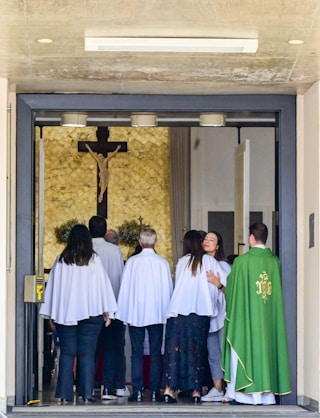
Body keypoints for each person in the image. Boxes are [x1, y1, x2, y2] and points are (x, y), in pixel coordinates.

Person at [39, 224, 117, 404]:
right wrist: (108, 312)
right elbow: (103, 286)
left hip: (66, 314)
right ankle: (87, 393)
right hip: (91, 314)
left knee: (67, 354)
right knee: (87, 354)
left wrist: (52, 314)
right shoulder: (94, 260)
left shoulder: (61, 260)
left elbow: (53, 289)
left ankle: (65, 395)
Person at [222, 223, 291, 405]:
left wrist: (221, 287)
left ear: (251, 237)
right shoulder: (275, 262)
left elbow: (232, 293)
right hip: (269, 320)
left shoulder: (241, 262)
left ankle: (244, 396)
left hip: (246, 320)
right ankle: (267, 396)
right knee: (266, 351)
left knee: (243, 347)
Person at [162, 230, 225, 404]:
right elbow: (223, 285)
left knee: (175, 352)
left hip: (178, 312)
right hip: (201, 314)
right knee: (196, 352)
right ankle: (197, 391)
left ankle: (169, 389)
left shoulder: (182, 262)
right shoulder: (210, 261)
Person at [116, 228, 173, 402]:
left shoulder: (132, 262)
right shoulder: (162, 263)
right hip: (157, 312)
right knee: (156, 353)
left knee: (136, 353)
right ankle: (155, 390)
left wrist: (122, 312)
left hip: (136, 312)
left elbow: (124, 289)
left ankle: (138, 391)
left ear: (140, 243)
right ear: (156, 242)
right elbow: (168, 290)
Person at [88, 216, 128, 400]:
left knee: (90, 349)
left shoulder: (84, 249)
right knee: (112, 349)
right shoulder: (114, 250)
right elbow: (120, 277)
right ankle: (108, 388)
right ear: (105, 232)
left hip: (90, 308)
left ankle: (87, 387)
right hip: (112, 305)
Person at [201, 231, 230, 402]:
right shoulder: (199, 263)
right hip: (208, 316)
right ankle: (217, 388)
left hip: (222, 316)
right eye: (205, 239)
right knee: (213, 354)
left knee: (223, 352)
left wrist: (218, 284)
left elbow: (230, 291)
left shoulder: (223, 266)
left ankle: (230, 387)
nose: (207, 242)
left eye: (212, 240)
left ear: (217, 246)